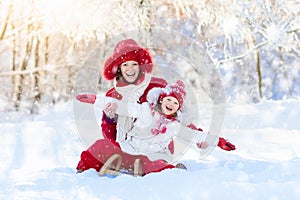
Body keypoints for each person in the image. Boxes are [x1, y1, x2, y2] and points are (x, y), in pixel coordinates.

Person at [76, 80, 210, 175]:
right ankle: (83, 169)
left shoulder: (159, 94)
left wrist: (202, 139)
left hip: (153, 150)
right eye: (125, 65)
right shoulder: (121, 97)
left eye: (134, 65)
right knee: (99, 149)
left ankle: (171, 172)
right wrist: (106, 113)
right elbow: (110, 132)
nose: (130, 69)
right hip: (126, 146)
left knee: (153, 162)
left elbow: (185, 127)